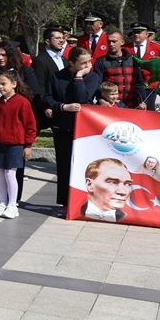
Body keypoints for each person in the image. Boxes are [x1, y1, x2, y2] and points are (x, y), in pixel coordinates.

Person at [43, 47, 100, 213]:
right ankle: (65, 201)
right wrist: (61, 107)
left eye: (89, 61)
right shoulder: (57, 76)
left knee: (84, 166)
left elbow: (83, 98)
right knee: (64, 165)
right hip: (62, 126)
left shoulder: (93, 76)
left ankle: (84, 200)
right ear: (71, 63)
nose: (88, 65)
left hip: (84, 129)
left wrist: (79, 77)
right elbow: (48, 97)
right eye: (83, 63)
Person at [0, 70, 36, 219]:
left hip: (15, 144)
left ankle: (12, 204)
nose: (0, 87)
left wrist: (28, 145)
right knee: (0, 174)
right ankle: (2, 203)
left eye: (4, 84)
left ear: (14, 84)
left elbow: (30, 125)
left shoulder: (22, 102)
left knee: (10, 174)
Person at [94, 31, 146, 108]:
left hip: (132, 105)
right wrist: (100, 100)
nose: (111, 44)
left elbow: (139, 83)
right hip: (111, 106)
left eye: (114, 41)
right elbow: (97, 84)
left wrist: (142, 101)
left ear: (122, 42)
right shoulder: (101, 61)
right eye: (108, 41)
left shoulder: (133, 60)